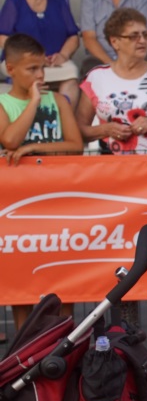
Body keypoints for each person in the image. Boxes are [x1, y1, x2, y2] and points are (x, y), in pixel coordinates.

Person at [75, 8, 147, 362]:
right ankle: (126, 336)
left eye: (145, 34)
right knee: (121, 258)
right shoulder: (96, 78)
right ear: (114, 41)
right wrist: (105, 129)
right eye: (134, 36)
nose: (142, 41)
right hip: (115, 183)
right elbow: (79, 128)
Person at [1, 34, 83, 329]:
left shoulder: (59, 101)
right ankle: (25, 341)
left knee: (62, 272)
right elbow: (10, 140)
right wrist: (34, 102)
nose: (39, 75)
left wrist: (35, 148)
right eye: (31, 69)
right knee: (22, 273)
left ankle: (64, 338)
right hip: (20, 206)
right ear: (10, 69)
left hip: (59, 201)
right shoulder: (3, 103)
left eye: (42, 68)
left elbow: (75, 144)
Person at [0, 0, 81, 108]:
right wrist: (32, 57)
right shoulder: (13, 3)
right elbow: (3, 37)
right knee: (29, 76)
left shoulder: (58, 1)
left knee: (71, 74)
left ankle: (65, 118)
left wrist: (63, 55)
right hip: (22, 60)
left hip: (54, 61)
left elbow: (73, 36)